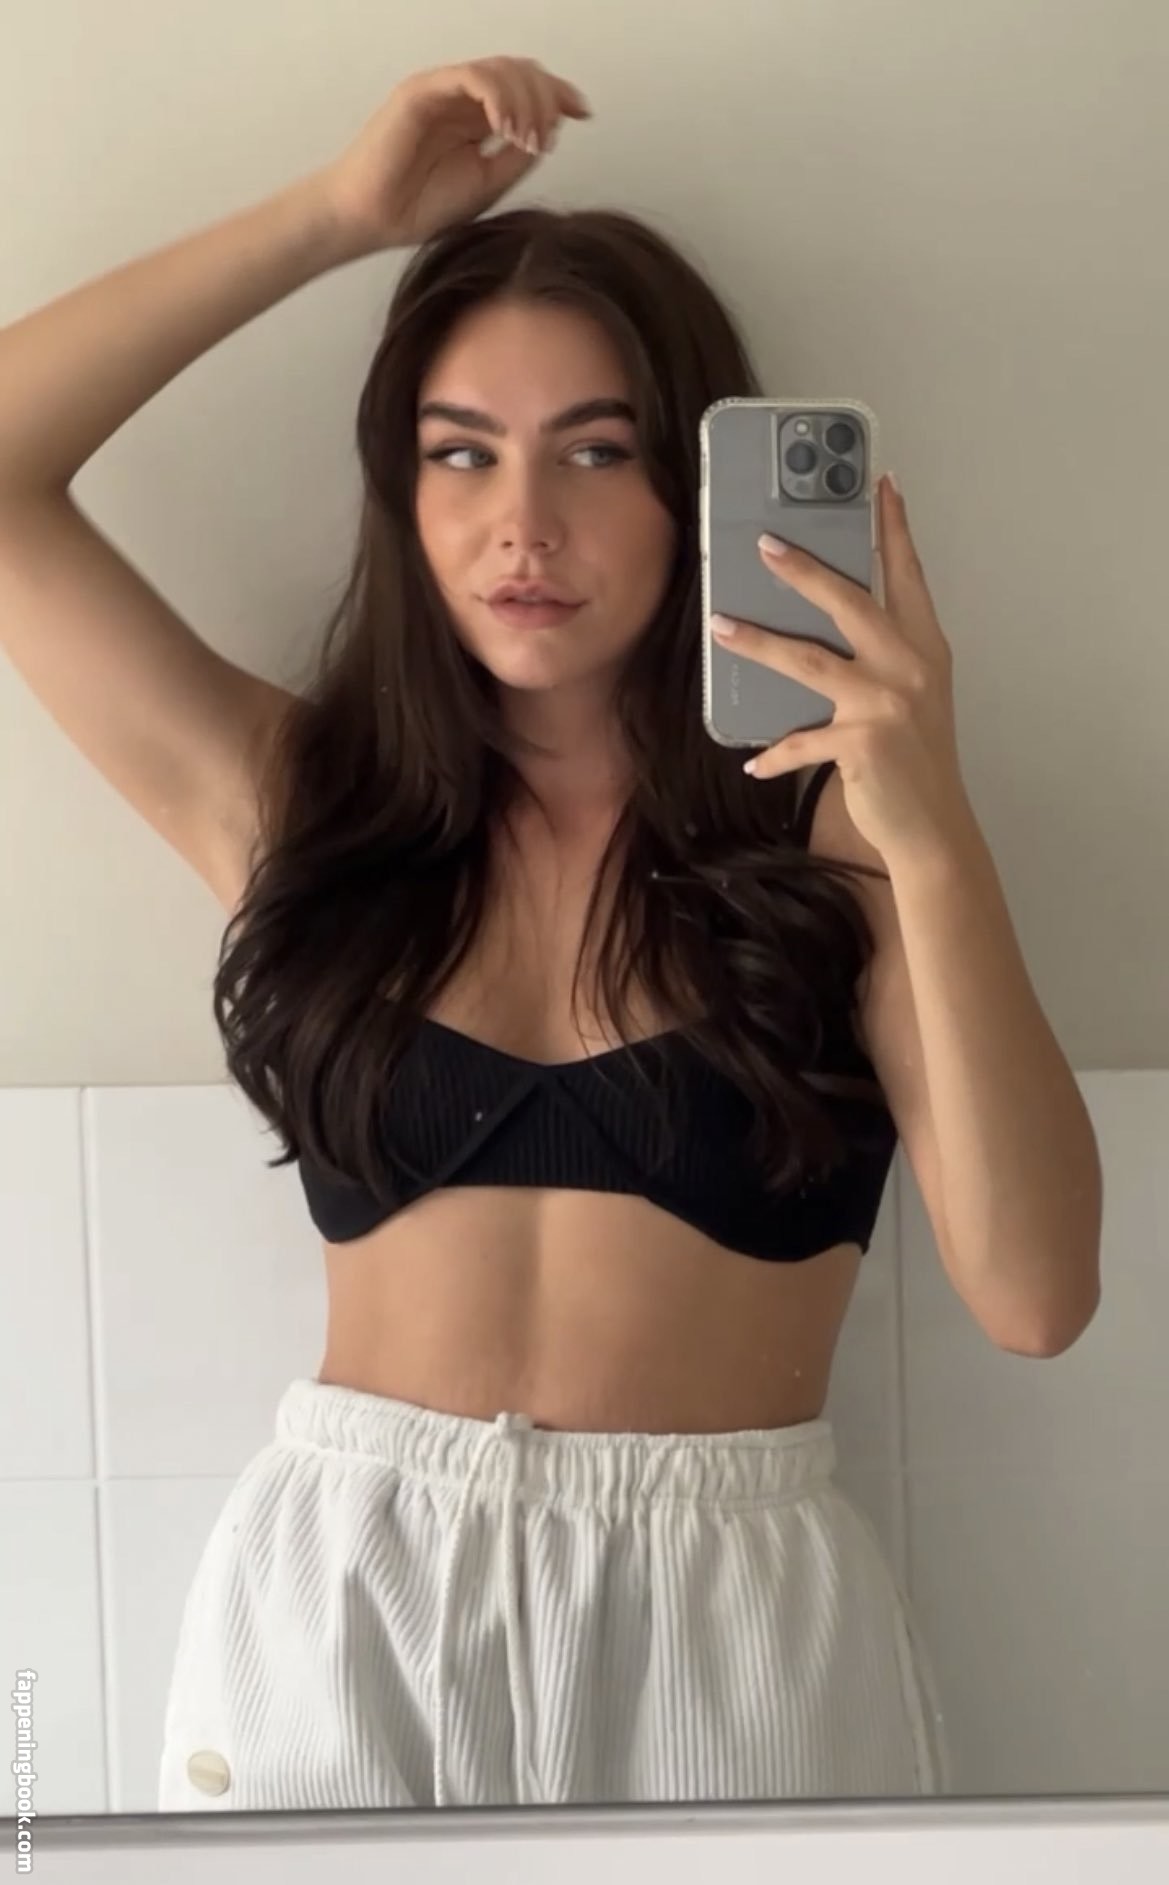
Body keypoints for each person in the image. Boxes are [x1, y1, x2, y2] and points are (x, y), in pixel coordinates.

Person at [0, 55, 1101, 1813]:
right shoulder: (307, 809)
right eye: (462, 453)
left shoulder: (834, 846)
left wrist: (932, 816)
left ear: (696, 491)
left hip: (728, 1621)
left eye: (596, 450)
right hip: (345, 1595)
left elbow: (1035, 1296)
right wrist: (334, 218)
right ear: (404, 491)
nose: (522, 522)